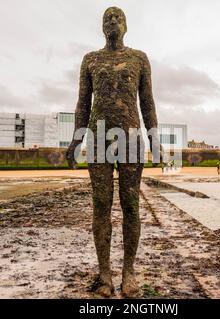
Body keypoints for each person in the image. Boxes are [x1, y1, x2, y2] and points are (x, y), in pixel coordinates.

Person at [66, 7, 159, 298]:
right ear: (101, 27)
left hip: (130, 137)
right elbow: (82, 103)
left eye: (118, 18)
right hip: (98, 138)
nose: (113, 21)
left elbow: (147, 102)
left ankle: (128, 272)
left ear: (127, 26)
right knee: (101, 205)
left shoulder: (139, 58)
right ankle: (104, 275)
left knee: (131, 205)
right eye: (108, 18)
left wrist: (154, 138)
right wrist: (75, 140)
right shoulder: (90, 60)